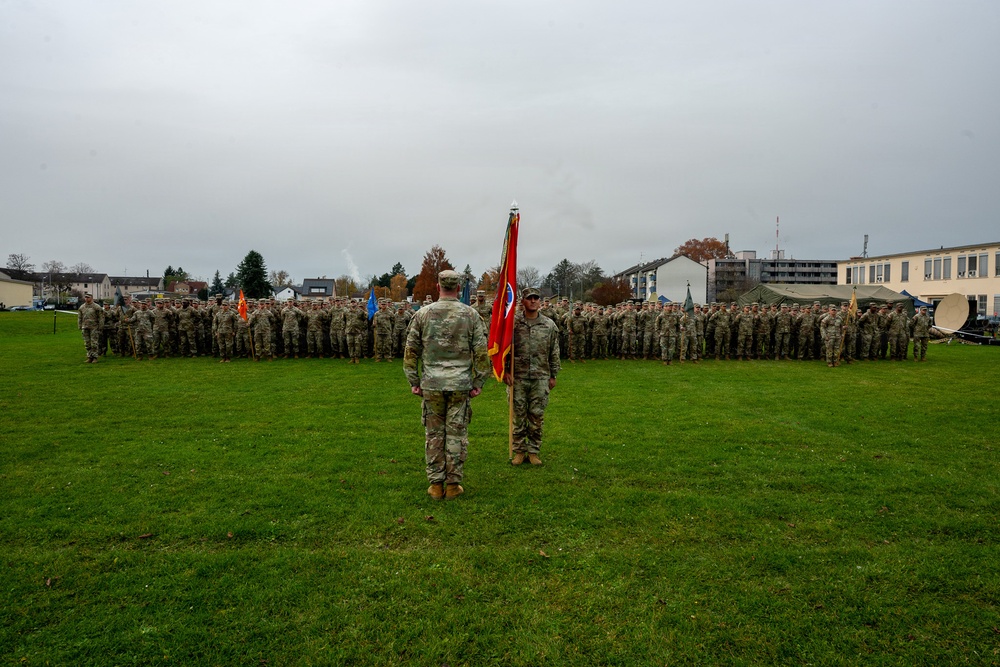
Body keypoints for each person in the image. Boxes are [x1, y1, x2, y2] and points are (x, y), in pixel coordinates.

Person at [404, 270, 489, 500]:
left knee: (434, 434)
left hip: (431, 384)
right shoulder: (471, 315)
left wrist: (414, 381)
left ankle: (435, 485)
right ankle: (452, 485)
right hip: (460, 384)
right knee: (456, 435)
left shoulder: (422, 314)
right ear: (459, 288)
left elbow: (411, 352)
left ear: (437, 285)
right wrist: (479, 381)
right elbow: (481, 353)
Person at [505, 286, 560, 466]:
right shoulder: (512, 324)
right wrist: (505, 371)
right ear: (522, 301)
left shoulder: (549, 325)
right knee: (518, 415)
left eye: (536, 298)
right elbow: (504, 350)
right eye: (530, 298)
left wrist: (553, 375)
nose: (534, 301)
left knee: (536, 416)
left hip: (540, 377)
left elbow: (554, 351)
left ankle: (534, 451)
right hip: (518, 377)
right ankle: (519, 451)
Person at [77, 293, 104, 363]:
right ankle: (89, 357)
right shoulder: (82, 307)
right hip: (85, 327)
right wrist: (79, 325)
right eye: (85, 297)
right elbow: (80, 317)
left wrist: (101, 326)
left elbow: (101, 317)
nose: (86, 299)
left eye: (88, 297)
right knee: (87, 343)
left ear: (91, 298)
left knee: (94, 343)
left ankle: (95, 357)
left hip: (94, 327)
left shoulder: (96, 307)